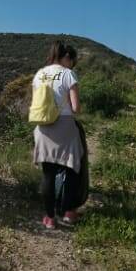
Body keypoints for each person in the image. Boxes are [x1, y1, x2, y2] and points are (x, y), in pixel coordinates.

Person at [31, 42, 86, 229]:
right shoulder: (68, 74)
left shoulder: (39, 74)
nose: (72, 64)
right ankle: (68, 213)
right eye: (72, 60)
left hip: (43, 128)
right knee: (71, 169)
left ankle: (50, 218)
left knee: (48, 174)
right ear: (66, 57)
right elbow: (76, 108)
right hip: (64, 126)